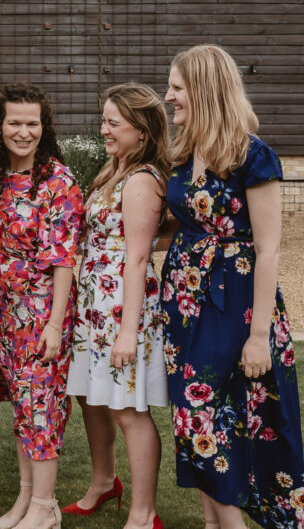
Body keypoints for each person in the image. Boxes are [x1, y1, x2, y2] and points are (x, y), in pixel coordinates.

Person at [160, 44, 303, 529]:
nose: (169, 96)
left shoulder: (252, 155)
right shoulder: (182, 152)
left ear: (203, 89)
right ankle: (213, 522)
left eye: (177, 87)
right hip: (184, 303)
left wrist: (259, 334)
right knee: (196, 415)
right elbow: (178, 222)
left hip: (236, 305)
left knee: (206, 417)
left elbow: (267, 249)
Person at [64, 83, 170, 529]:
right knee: (92, 398)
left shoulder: (142, 179)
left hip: (119, 311)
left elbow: (139, 256)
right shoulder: (114, 171)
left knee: (128, 409)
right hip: (94, 309)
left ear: (141, 131)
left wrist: (128, 330)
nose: (103, 129)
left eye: (113, 122)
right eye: (104, 119)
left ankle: (144, 514)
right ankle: (104, 482)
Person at [0, 83, 83, 529]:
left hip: (43, 311)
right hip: (2, 311)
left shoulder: (57, 182)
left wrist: (56, 324)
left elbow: (62, 260)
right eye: (15, 122)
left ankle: (45, 508)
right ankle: (27, 500)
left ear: (45, 126)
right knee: (23, 407)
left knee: (41, 404)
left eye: (32, 123)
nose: (24, 132)